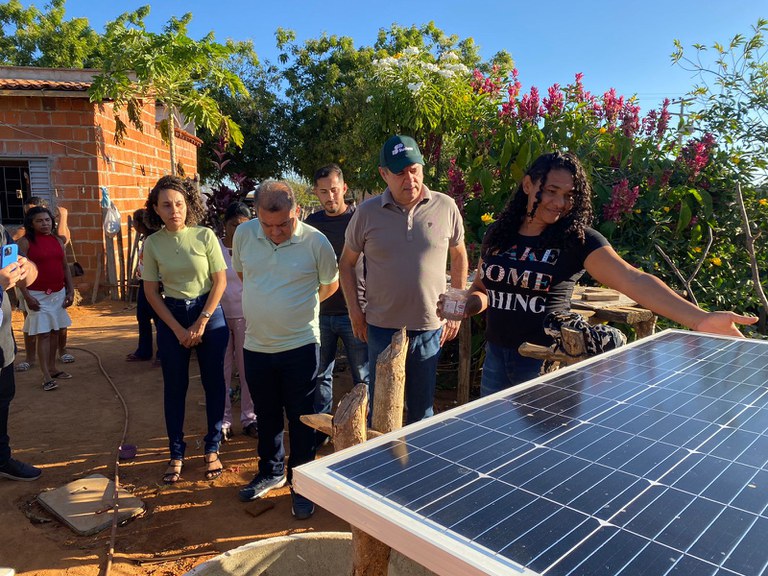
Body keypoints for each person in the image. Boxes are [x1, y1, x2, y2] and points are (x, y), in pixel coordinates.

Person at [440, 151, 757, 396]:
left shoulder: (577, 240)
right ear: (527, 185)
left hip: (543, 362)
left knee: (534, 456)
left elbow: (633, 279)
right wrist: (467, 305)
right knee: (493, 442)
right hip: (496, 358)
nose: (559, 203)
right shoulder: (500, 233)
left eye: (568, 196)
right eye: (550, 191)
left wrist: (699, 319)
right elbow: (483, 288)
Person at [339, 135, 468, 425]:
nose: (409, 179)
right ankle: (384, 466)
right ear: (384, 174)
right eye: (399, 172)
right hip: (381, 328)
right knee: (382, 410)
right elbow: (346, 264)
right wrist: (355, 312)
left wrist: (455, 310)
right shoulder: (366, 212)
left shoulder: (446, 207)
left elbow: (459, 255)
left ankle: (417, 468)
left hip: (429, 327)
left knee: (422, 411)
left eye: (414, 169)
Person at [233, 181, 338, 520]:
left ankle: (302, 483)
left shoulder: (316, 242)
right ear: (256, 215)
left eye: (283, 223)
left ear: (297, 211)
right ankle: (271, 471)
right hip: (257, 345)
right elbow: (243, 274)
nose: (275, 232)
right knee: (266, 414)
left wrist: (294, 308)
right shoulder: (244, 236)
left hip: (301, 346)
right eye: (267, 224)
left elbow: (330, 284)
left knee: (302, 417)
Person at [142, 175, 229, 484]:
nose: (173, 210)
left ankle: (212, 449)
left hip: (209, 313)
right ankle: (176, 453)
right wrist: (179, 329)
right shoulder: (152, 244)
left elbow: (220, 282)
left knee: (214, 383)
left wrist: (201, 322)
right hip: (171, 315)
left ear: (188, 205)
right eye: (166, 205)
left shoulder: (205, 236)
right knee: (175, 388)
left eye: (178, 204)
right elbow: (152, 293)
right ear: (155, 209)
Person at [304, 164, 368, 427]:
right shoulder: (311, 225)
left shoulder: (359, 220)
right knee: (320, 375)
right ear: (316, 194)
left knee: (362, 375)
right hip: (321, 312)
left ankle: (362, 425)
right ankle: (323, 430)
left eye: (333, 190)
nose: (330, 197)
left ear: (344, 188)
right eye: (323, 192)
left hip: (355, 311)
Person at [16, 206, 74, 391]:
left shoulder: (57, 240)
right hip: (36, 295)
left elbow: (65, 266)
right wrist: (26, 297)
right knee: (44, 334)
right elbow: (19, 272)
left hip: (58, 293)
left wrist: (70, 291)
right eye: (39, 221)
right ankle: (46, 376)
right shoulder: (24, 243)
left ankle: (53, 368)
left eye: (47, 220)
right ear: (31, 224)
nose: (45, 224)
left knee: (56, 331)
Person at [0, 224, 41, 480]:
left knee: (2, 402)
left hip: (2, 344)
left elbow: (30, 277)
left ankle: (2, 459)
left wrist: (27, 269)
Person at [219, 202, 258, 441]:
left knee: (247, 371)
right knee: (221, 371)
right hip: (220, 317)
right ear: (225, 225)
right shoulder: (215, 248)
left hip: (248, 317)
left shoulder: (254, 248)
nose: (239, 231)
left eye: (244, 226)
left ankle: (249, 418)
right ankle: (223, 421)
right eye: (234, 225)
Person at [125, 209, 161, 364]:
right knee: (143, 317)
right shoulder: (147, 239)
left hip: (155, 284)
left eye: (134, 221)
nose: (133, 224)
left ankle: (162, 353)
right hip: (144, 283)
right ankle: (144, 351)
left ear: (140, 224)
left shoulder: (154, 241)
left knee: (159, 319)